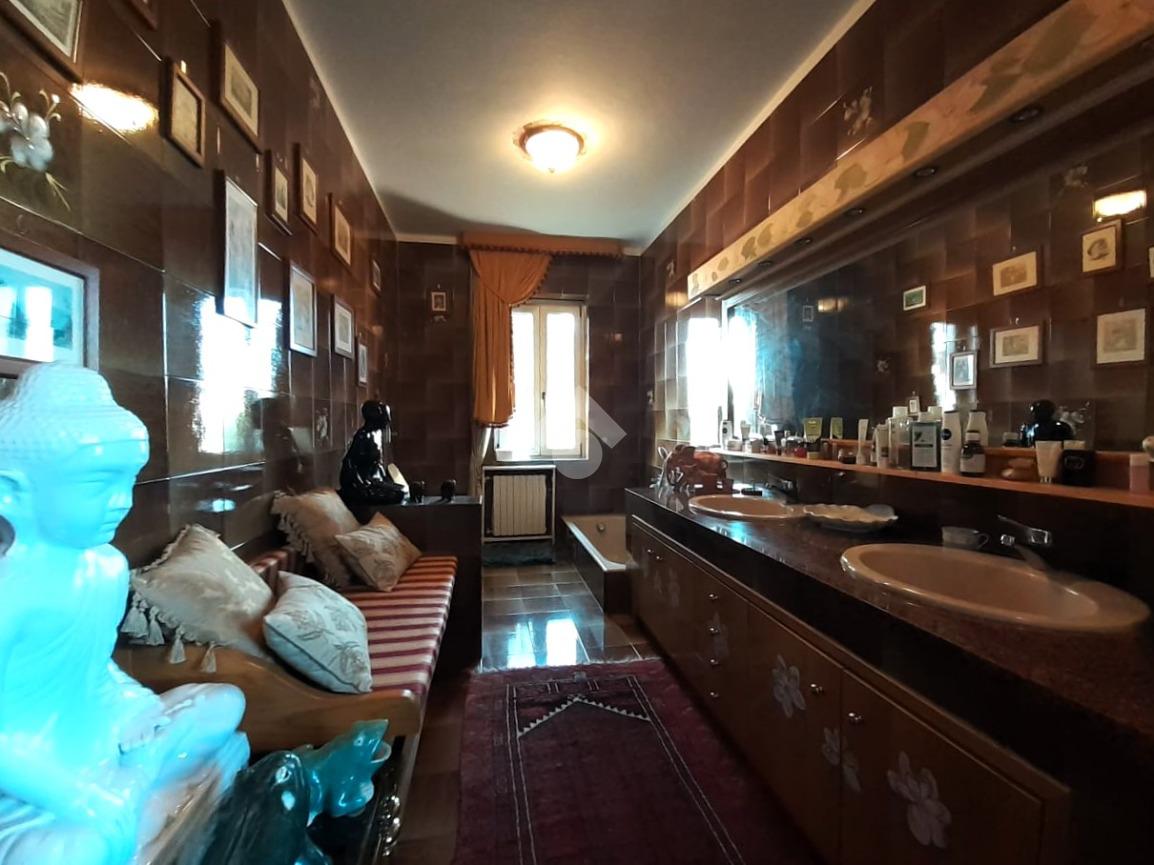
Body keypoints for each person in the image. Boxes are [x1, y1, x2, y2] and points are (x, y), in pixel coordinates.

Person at [0, 364, 248, 865]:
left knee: (223, 702)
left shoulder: (107, 567)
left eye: (128, 482)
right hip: (31, 776)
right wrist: (77, 795)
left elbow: (95, 670)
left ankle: (134, 788)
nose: (121, 502)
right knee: (66, 854)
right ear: (11, 490)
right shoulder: (10, 590)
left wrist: (136, 706)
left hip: (101, 737)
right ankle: (138, 795)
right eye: (97, 484)